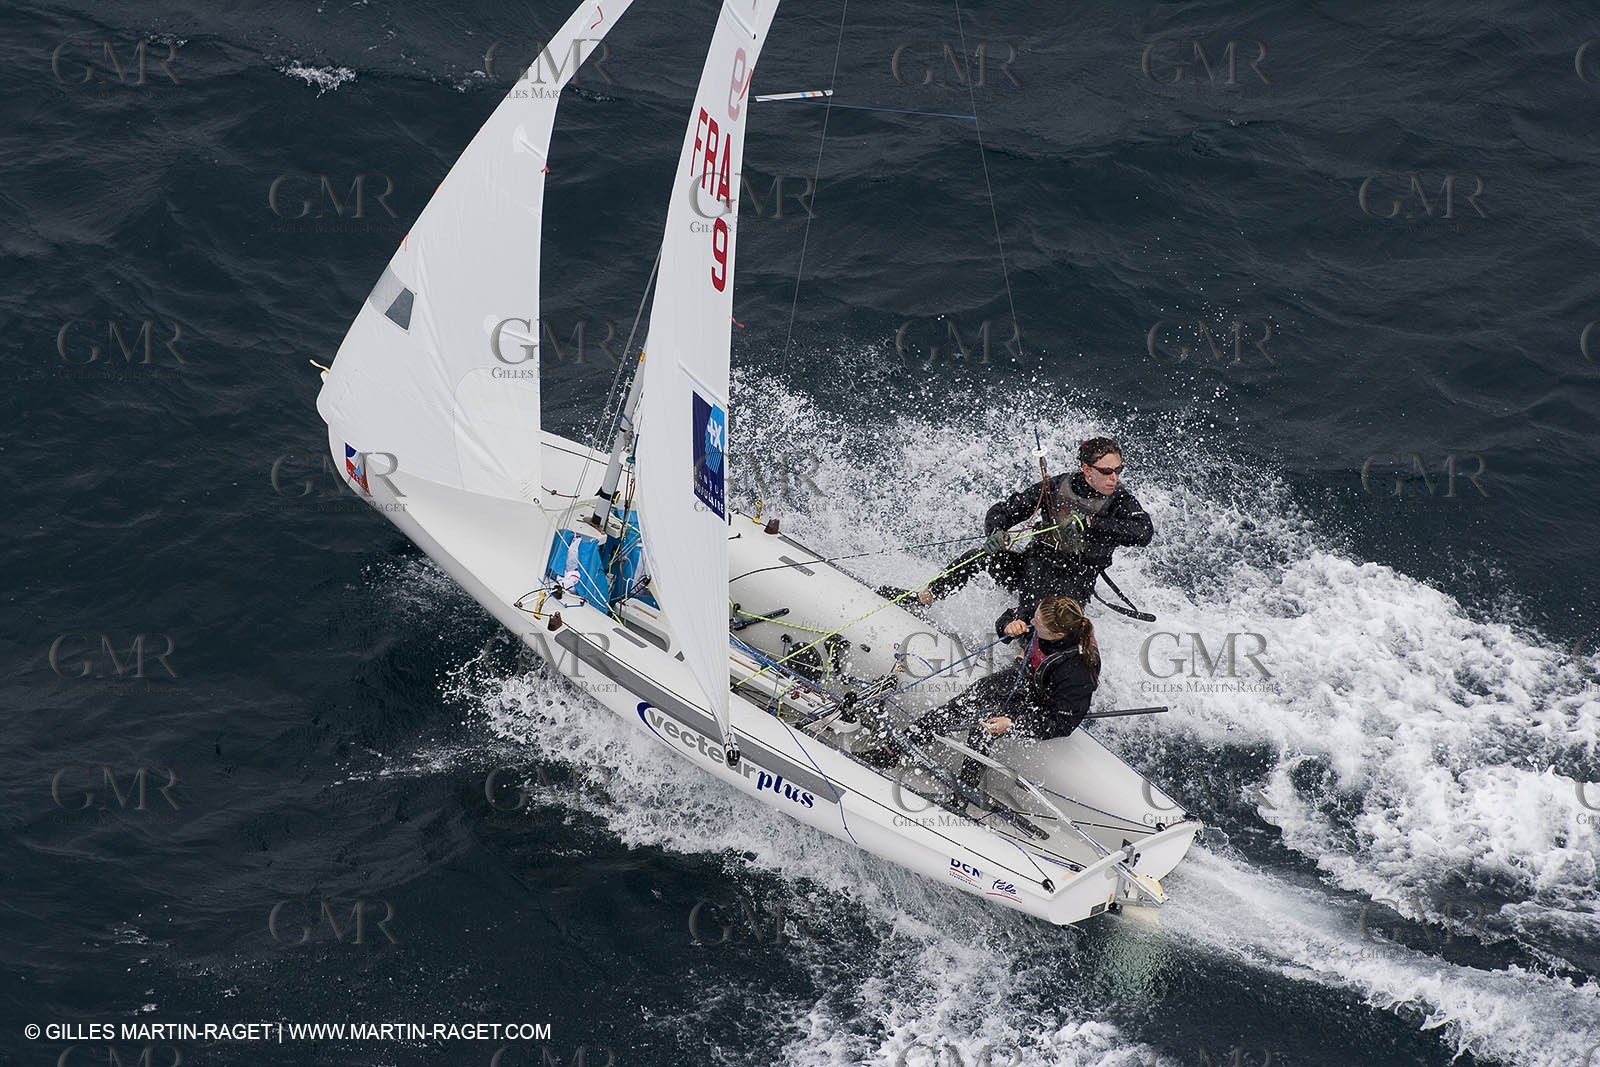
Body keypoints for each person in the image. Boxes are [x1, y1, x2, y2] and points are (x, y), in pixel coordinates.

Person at [880, 436, 1153, 609]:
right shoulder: (1057, 486)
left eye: (1118, 470)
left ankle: (1024, 659)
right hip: (1034, 564)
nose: (1114, 477)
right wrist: (995, 532)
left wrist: (1091, 524)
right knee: (979, 556)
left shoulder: (1120, 499)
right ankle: (923, 599)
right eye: (1106, 471)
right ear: (1086, 469)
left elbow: (1143, 532)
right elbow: (1004, 510)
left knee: (1038, 611)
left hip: (1074, 581)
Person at [903, 595, 1100, 801]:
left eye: (1038, 623)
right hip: (1022, 676)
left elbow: (1062, 724)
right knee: (964, 703)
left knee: (984, 728)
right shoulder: (1044, 610)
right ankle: (898, 745)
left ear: (1058, 634)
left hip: (1040, 705)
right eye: (1034, 616)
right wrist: (1008, 626)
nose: (1032, 621)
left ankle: (962, 795)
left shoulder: (1078, 671)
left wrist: (1013, 724)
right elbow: (1009, 616)